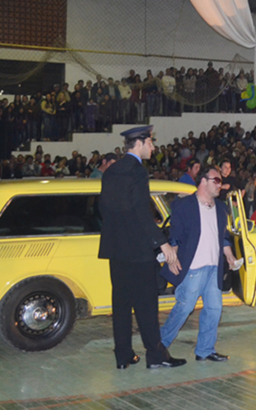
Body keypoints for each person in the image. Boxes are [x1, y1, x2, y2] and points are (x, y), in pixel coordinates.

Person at [98, 126, 184, 370]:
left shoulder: (111, 170)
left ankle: (123, 356)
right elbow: (141, 213)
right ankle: (156, 356)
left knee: (122, 304)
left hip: (116, 250)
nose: (153, 148)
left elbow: (103, 209)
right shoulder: (137, 172)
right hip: (137, 251)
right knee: (147, 306)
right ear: (140, 143)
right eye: (151, 143)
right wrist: (162, 242)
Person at [159, 166, 243, 362]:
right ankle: (159, 346)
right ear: (203, 181)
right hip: (193, 269)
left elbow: (222, 237)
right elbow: (176, 236)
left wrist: (229, 256)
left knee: (214, 309)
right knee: (184, 308)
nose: (220, 185)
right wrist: (172, 258)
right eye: (216, 181)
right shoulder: (184, 206)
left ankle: (205, 350)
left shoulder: (221, 208)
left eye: (221, 182)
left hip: (214, 268)